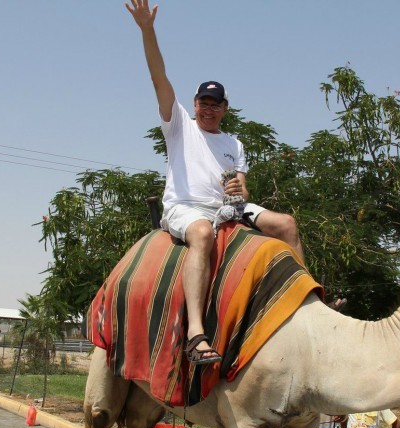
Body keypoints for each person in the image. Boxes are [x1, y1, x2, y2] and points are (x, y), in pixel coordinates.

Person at [126, 0, 303, 365]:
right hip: (186, 208)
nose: (208, 108)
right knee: (203, 233)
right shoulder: (179, 126)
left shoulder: (234, 143)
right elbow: (159, 77)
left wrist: (239, 190)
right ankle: (195, 333)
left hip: (228, 209)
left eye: (215, 103)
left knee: (286, 224)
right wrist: (147, 29)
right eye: (203, 102)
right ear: (194, 104)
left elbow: (241, 188)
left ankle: (303, 298)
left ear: (225, 107)